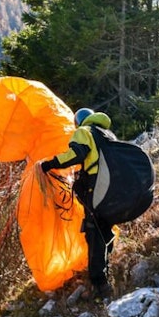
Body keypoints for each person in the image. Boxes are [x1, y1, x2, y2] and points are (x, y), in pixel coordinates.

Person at [39, 108, 116, 301]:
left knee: (94, 231)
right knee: (105, 229)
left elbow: (77, 154)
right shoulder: (107, 134)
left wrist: (50, 164)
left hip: (96, 188)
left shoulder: (85, 132)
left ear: (79, 122)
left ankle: (100, 284)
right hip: (112, 189)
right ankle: (105, 270)